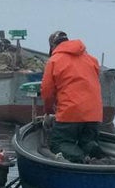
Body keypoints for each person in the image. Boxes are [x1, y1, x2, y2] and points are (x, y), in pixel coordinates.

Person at [40, 30, 106, 162]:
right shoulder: (91, 60)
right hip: (94, 114)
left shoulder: (54, 60)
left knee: (59, 143)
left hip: (70, 114)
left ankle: (81, 159)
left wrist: (48, 111)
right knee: (87, 141)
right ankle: (94, 151)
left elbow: (47, 92)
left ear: (53, 47)